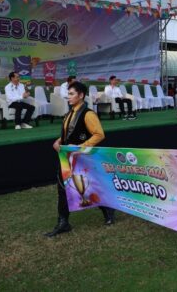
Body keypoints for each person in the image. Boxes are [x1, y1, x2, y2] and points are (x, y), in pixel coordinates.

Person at [45, 81, 115, 237]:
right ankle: (63, 222)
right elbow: (68, 133)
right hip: (67, 157)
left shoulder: (88, 114)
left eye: (71, 94)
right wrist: (59, 141)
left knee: (91, 186)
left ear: (81, 95)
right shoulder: (69, 114)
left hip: (82, 158)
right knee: (62, 188)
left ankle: (108, 210)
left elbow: (99, 134)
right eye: (68, 94)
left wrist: (80, 147)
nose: (68, 96)